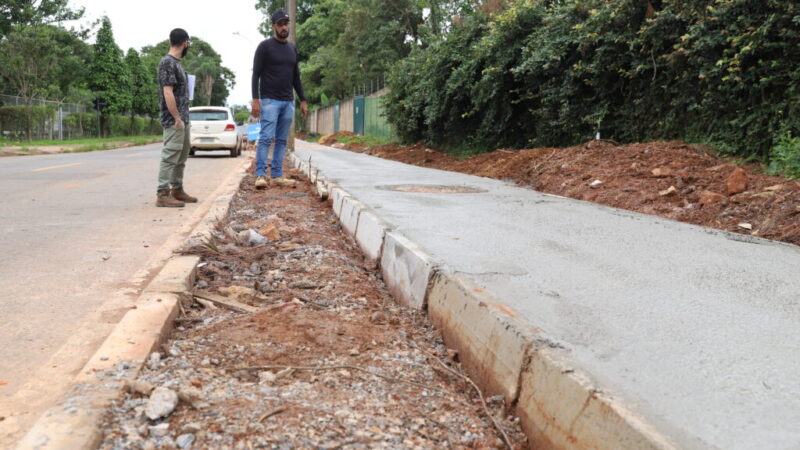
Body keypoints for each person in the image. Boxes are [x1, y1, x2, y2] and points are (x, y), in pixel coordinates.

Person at [251, 9, 308, 189]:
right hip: (269, 101)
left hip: (288, 102)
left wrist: (303, 100)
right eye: (280, 24)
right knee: (266, 138)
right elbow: (256, 75)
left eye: (286, 23)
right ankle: (260, 175)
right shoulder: (264, 47)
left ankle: (276, 175)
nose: (284, 27)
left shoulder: (292, 48)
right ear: (274, 26)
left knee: (282, 140)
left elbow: (296, 77)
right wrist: (255, 99)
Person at [156, 28, 196, 207]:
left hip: (184, 117)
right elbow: (167, 91)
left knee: (181, 156)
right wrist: (176, 117)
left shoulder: (177, 63)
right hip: (175, 119)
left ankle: (177, 189)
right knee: (170, 155)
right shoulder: (167, 62)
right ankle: (163, 193)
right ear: (185, 43)